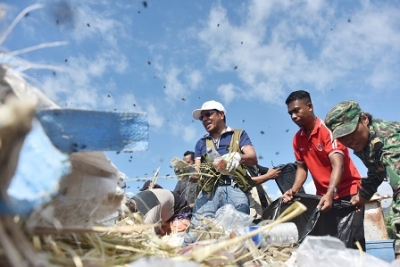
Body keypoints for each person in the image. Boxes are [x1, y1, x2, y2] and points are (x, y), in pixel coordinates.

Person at [283, 90, 364, 250]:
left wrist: (330, 192)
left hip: (350, 193)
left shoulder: (329, 130)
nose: (293, 116)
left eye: (296, 110)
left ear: (310, 106)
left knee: (354, 243)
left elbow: (338, 165)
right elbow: (301, 168)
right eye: (290, 113)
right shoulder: (297, 139)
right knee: (331, 244)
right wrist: (293, 190)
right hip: (325, 198)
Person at [325, 100, 400, 258]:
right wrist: (362, 196)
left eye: (350, 133)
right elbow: (376, 172)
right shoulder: (365, 143)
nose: (348, 141)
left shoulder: (390, 141)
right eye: (342, 137)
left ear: (364, 119)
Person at [189, 100, 258, 229]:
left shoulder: (238, 134)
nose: (204, 119)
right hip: (208, 193)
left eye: (208, 114)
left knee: (236, 232)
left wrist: (237, 157)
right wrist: (187, 172)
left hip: (234, 187)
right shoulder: (201, 142)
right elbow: (196, 171)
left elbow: (252, 157)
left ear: (221, 115)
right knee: (200, 230)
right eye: (201, 118)